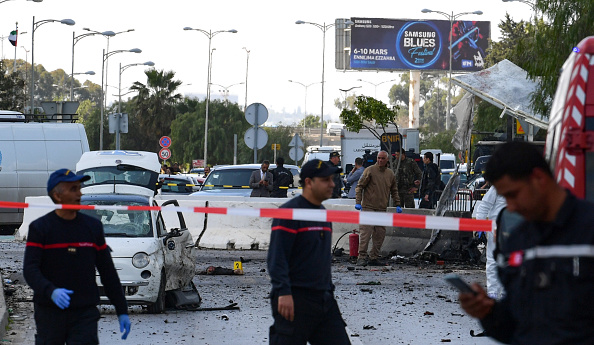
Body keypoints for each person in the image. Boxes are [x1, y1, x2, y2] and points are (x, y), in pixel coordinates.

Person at [458, 141, 594, 344]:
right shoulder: (516, 242)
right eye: (505, 197)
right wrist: (488, 313)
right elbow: (516, 324)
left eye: (513, 195)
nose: (510, 208)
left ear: (538, 178)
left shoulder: (587, 230)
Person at [23, 169, 131, 344]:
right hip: (50, 312)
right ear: (57, 196)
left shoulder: (92, 227)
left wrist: (122, 310)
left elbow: (107, 272)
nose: (79, 194)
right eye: (73, 189)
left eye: (79, 188)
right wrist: (51, 291)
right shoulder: (41, 228)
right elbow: (30, 269)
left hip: (84, 313)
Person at [268, 159, 351, 345]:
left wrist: (328, 292)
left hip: (324, 301)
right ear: (308, 182)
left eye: (332, 179)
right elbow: (277, 258)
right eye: (325, 180)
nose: (332, 184)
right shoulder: (290, 213)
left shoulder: (323, 214)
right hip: (295, 300)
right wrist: (283, 292)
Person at [355, 150, 402, 266]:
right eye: (378, 158)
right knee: (366, 233)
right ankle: (361, 257)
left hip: (381, 209)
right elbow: (360, 186)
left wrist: (398, 204)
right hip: (368, 208)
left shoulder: (390, 174)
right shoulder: (370, 170)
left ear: (387, 160)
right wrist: (358, 202)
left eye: (382, 158)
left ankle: (373, 257)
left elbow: (394, 190)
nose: (380, 160)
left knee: (380, 234)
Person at [473, 185, 506, 300]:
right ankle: (494, 293)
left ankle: (502, 293)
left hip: (513, 227)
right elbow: (484, 205)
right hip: (497, 228)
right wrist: (480, 225)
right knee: (493, 260)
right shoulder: (498, 185)